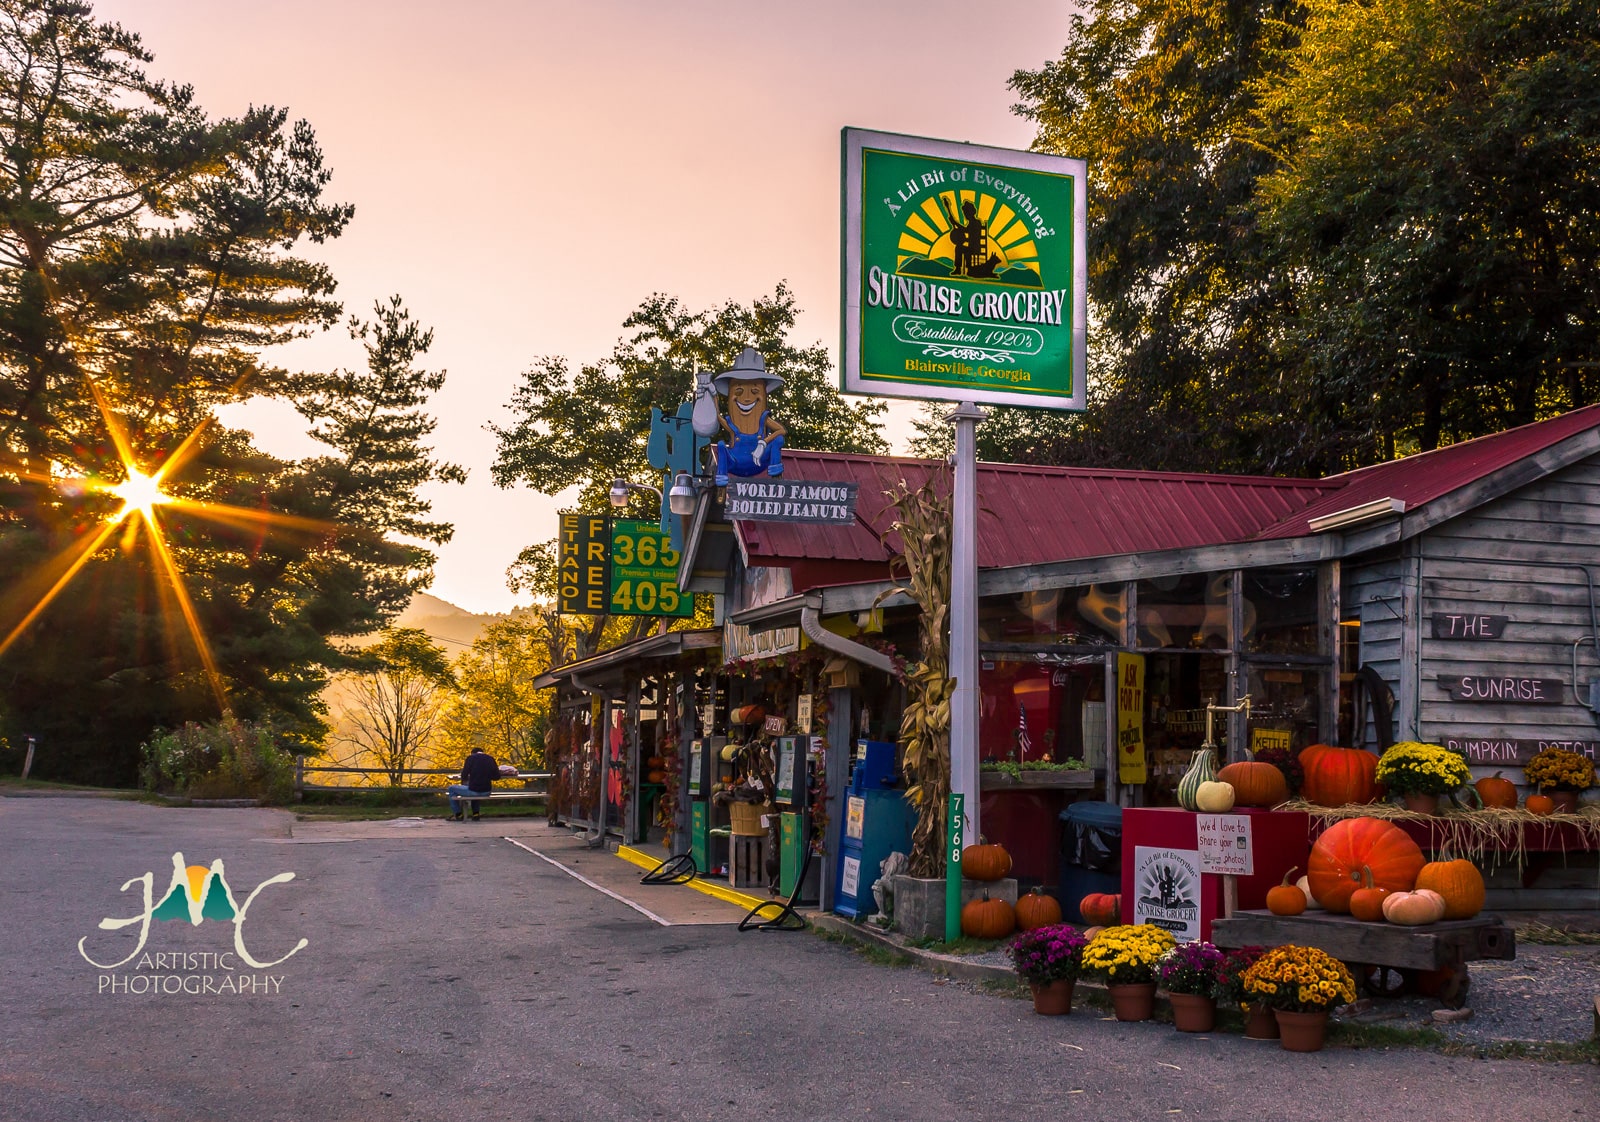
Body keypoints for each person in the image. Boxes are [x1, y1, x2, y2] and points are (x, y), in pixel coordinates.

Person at [446, 746, 500, 820]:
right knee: (474, 786)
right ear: (482, 752)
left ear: (472, 753)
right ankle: (475, 814)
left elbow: (464, 775)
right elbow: (497, 777)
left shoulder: (471, 758)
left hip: (474, 790)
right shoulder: (490, 758)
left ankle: (458, 814)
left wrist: (470, 776)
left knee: (451, 788)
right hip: (487, 791)